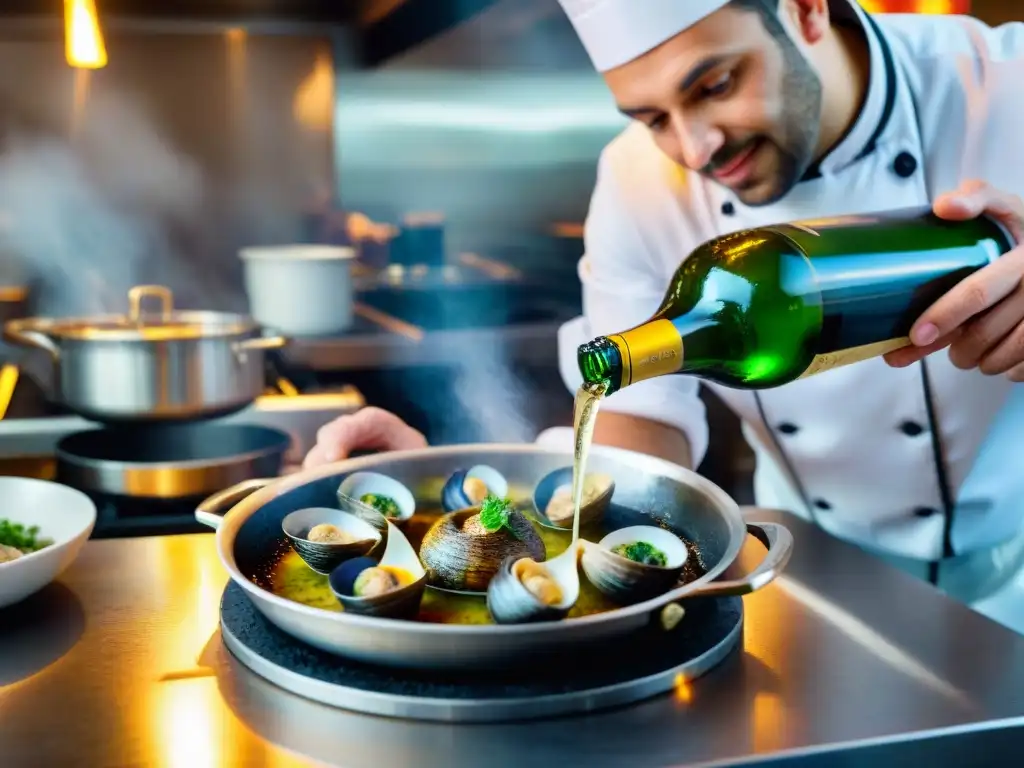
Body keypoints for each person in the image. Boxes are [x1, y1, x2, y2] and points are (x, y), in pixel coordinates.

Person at [306, 0, 1024, 632]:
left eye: (715, 85)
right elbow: (639, 423)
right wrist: (440, 496)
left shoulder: (1004, 86)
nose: (695, 148)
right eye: (652, 119)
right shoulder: (635, 181)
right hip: (804, 568)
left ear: (805, 9)